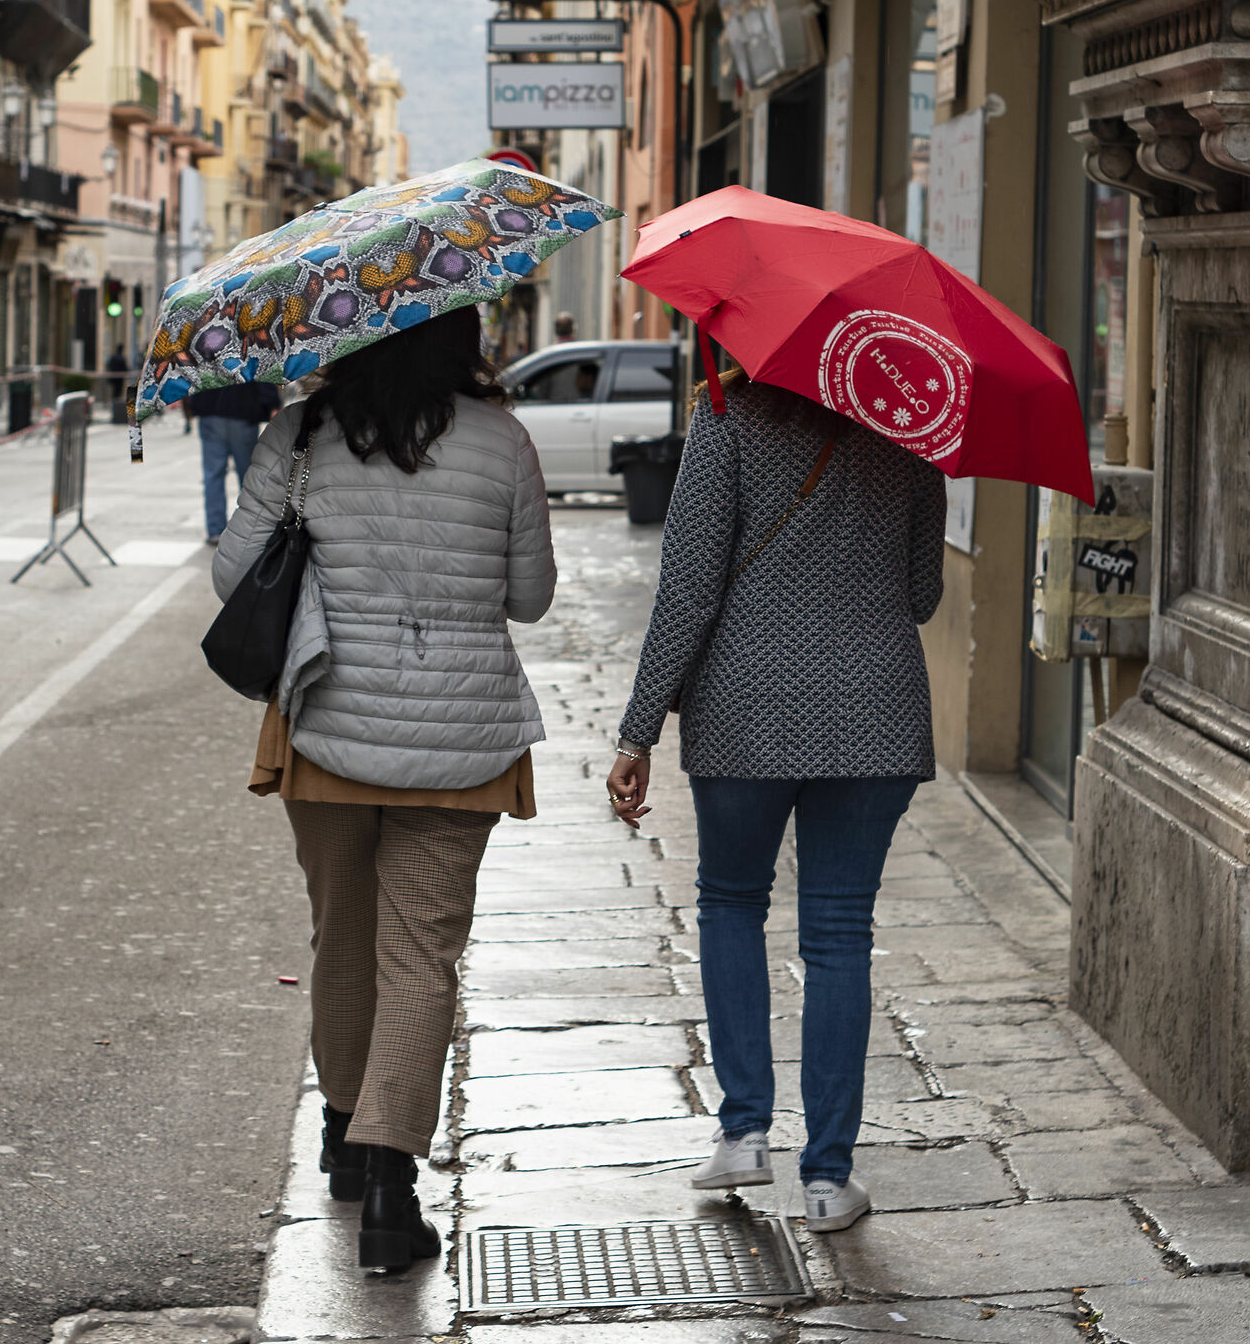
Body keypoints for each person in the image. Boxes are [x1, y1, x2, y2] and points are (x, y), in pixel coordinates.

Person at [212, 305, 554, 1274]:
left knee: (343, 935)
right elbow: (530, 596)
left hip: (326, 721)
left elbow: (234, 572)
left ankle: (342, 1129)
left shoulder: (302, 432)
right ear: (463, 336)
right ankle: (392, 1195)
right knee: (421, 956)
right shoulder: (504, 440)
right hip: (460, 740)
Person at [606, 370, 945, 1234]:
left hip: (744, 711)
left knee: (730, 902)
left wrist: (637, 729)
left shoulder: (726, 418)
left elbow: (688, 588)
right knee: (838, 932)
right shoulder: (907, 428)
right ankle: (830, 1178)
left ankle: (745, 1131)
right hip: (875, 710)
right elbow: (922, 594)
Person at [190, 373, 280, 544]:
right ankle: (249, 526)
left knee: (213, 475)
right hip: (243, 409)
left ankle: (215, 530)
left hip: (210, 410)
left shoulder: (200, 345)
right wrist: (271, 403)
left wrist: (195, 404)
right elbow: (260, 368)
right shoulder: (247, 344)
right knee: (247, 474)